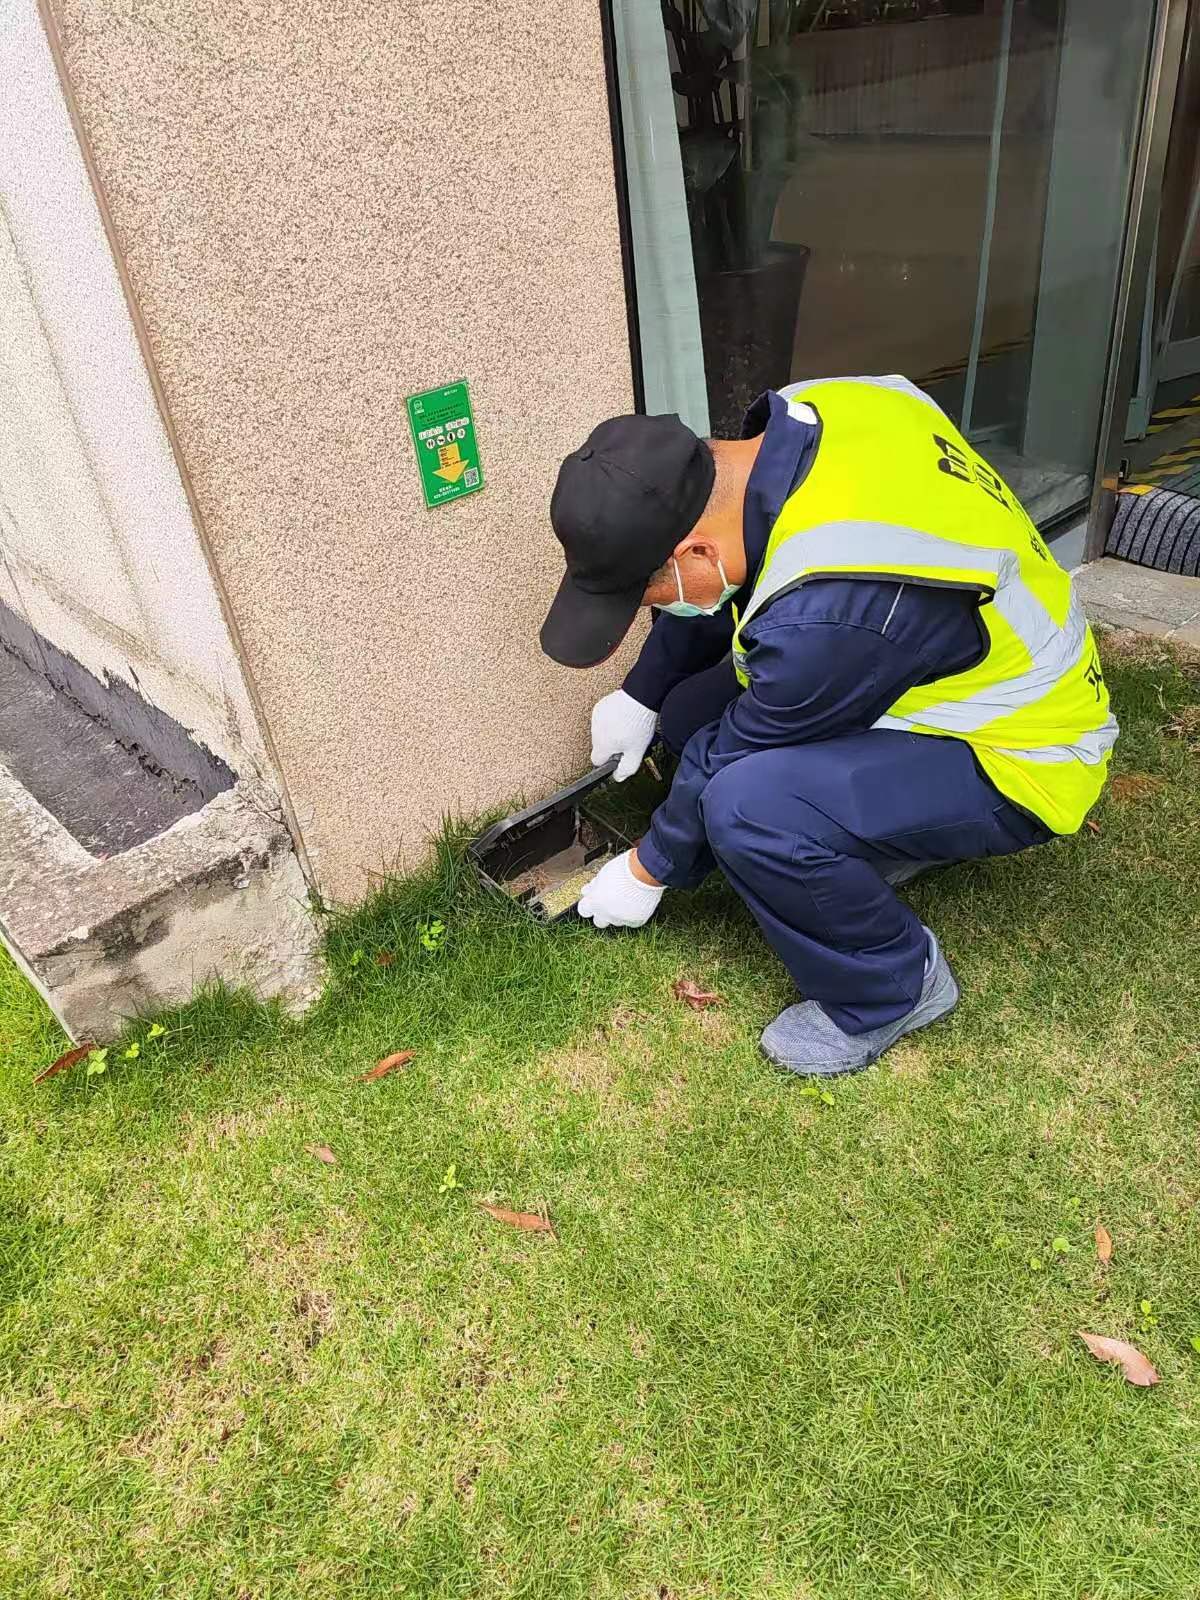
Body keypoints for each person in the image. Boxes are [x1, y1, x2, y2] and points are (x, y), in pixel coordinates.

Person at [538, 376, 1116, 1077]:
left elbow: (732, 753)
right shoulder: (811, 421)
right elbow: (738, 578)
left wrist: (646, 868)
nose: (649, 609)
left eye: (646, 594)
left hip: (1023, 751)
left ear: (694, 553)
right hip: (931, 663)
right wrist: (644, 691)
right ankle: (863, 844)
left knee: (748, 808)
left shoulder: (833, 613)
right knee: (689, 716)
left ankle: (891, 989)